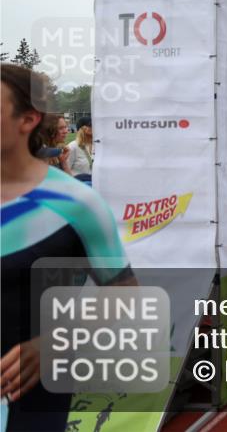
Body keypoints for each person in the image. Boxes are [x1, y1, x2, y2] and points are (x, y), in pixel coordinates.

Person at [1, 64, 134, 431]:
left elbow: (124, 294)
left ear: (27, 119)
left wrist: (52, 344)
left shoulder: (75, 203)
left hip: (29, 403)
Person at [63, 115, 93, 182]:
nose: (93, 127)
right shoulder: (72, 147)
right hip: (79, 186)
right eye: (90, 125)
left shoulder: (98, 145)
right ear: (81, 128)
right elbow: (65, 171)